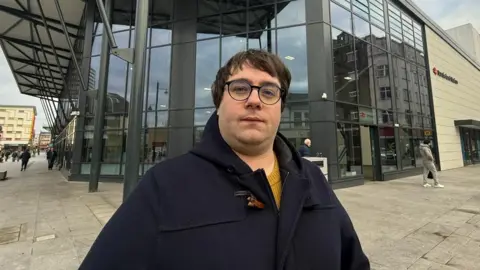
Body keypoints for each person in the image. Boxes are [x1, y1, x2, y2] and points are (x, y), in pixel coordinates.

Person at [79, 49, 369, 270]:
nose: (254, 100)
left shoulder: (313, 180)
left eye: (268, 91)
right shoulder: (165, 186)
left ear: (280, 106)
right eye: (240, 88)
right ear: (219, 103)